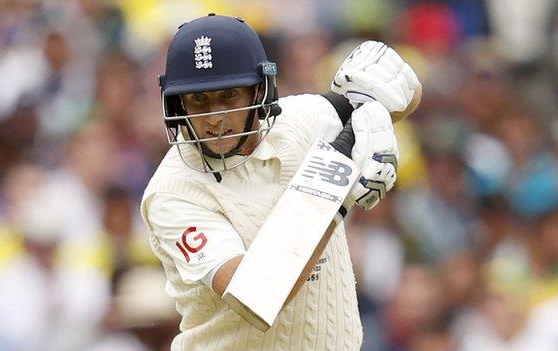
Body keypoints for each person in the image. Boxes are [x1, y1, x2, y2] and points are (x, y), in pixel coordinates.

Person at [140, 14, 421, 350]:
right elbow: (256, 295)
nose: (214, 118)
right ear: (177, 103)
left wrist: (377, 105)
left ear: (260, 90)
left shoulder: (302, 121)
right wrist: (335, 191)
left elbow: (404, 96)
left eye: (229, 94)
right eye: (199, 99)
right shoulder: (173, 194)